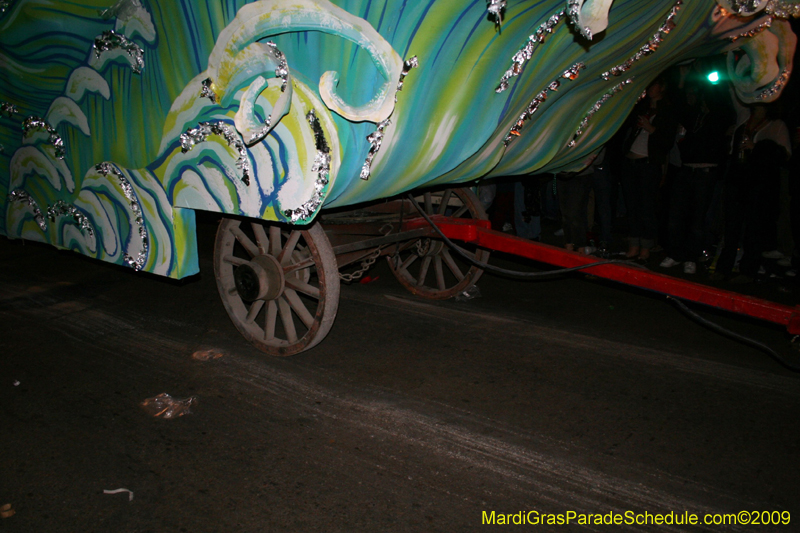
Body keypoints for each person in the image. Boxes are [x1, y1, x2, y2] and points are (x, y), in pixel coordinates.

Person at [659, 80, 735, 274]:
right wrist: (682, 82)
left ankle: (691, 257)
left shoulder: (721, 115)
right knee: (675, 216)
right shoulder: (694, 116)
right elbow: (680, 108)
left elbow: (725, 117)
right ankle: (675, 253)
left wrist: (714, 92)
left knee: (697, 218)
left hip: (706, 172)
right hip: (686, 170)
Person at [713, 103, 792, 283]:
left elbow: (785, 155)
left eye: (758, 106)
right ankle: (723, 267)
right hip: (738, 180)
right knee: (731, 227)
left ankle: (748, 271)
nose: (754, 108)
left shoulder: (776, 125)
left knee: (753, 229)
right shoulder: (745, 123)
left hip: (759, 185)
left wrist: (756, 147)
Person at [619, 76, 679, 262]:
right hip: (631, 162)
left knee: (646, 207)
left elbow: (667, 141)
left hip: (648, 164)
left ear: (662, 87)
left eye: (654, 84)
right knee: (632, 206)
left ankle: (645, 248)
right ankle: (633, 245)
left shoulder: (668, 110)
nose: (650, 88)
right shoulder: (642, 106)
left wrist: (651, 128)